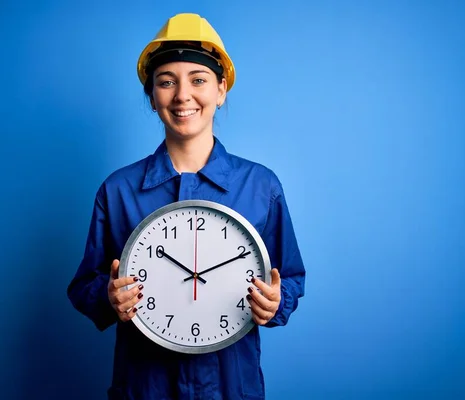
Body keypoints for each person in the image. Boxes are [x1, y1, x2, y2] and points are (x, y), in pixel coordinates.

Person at [67, 13, 306, 400]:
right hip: (146, 387)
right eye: (166, 82)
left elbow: (290, 277)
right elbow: (83, 286)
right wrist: (108, 297)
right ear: (152, 95)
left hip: (231, 388)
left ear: (221, 89)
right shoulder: (118, 190)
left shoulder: (261, 187)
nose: (182, 95)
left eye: (198, 79)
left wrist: (276, 302)